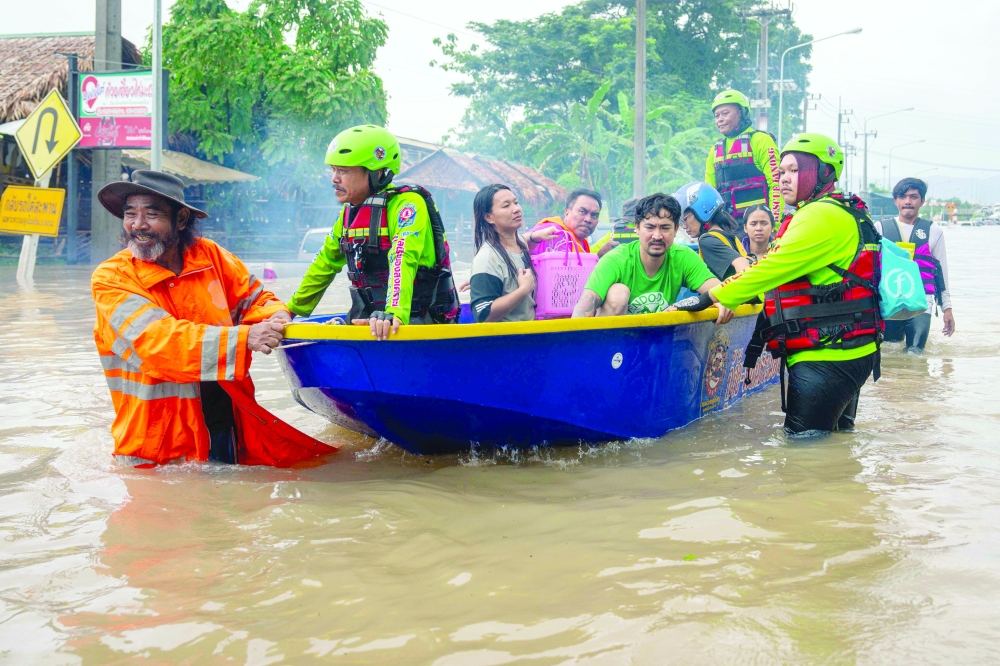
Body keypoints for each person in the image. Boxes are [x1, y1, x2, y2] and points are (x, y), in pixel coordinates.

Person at [90, 170, 335, 466]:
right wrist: (248, 337)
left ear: (180, 220)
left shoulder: (211, 256)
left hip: (225, 426)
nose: (138, 225)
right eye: (130, 214)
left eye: (151, 214)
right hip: (156, 446)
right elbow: (159, 342)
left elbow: (256, 298)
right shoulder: (111, 278)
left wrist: (277, 317)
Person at [684, 133, 882, 434]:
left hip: (827, 355)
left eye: (794, 170)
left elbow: (770, 269)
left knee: (802, 455)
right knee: (835, 445)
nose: (783, 179)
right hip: (848, 346)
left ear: (823, 173)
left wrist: (713, 296)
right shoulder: (840, 210)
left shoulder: (820, 215)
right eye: (780, 173)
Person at [287, 125, 459, 340]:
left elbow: (403, 257)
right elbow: (324, 264)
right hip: (371, 318)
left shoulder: (408, 203)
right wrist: (290, 311)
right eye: (333, 169)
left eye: (344, 170)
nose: (334, 178)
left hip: (416, 319)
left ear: (377, 173)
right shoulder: (348, 214)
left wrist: (394, 313)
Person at [572, 192, 731, 321]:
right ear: (637, 228)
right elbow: (584, 306)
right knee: (618, 293)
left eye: (665, 228)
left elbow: (720, 291)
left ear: (676, 229)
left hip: (660, 344)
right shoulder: (616, 259)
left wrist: (718, 302)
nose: (657, 236)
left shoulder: (683, 257)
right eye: (650, 227)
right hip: (615, 348)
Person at [877, 177, 955, 350]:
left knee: (915, 352)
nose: (908, 201)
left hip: (922, 303)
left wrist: (947, 308)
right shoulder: (880, 229)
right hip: (890, 299)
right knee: (889, 350)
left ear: (922, 201)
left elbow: (941, 273)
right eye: (903, 197)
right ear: (895, 201)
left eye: (913, 197)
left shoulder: (934, 231)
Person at [705, 90, 783, 224]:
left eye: (725, 113)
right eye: (717, 116)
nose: (720, 119)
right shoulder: (715, 151)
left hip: (758, 228)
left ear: (741, 113)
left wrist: (773, 226)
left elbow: (776, 185)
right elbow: (708, 193)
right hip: (728, 228)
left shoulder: (761, 141)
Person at [470, 184, 537, 322]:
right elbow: (483, 313)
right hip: (506, 340)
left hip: (529, 335)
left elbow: (524, 237)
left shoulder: (521, 245)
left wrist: (537, 235)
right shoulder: (487, 258)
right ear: (488, 217)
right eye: (506, 206)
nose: (517, 209)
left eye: (516, 203)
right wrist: (523, 290)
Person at [675, 181, 751, 281]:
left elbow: (741, 263)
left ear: (702, 211)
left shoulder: (707, 240)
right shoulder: (726, 235)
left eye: (685, 219)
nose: (684, 226)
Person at [530, 188, 614, 256]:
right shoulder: (553, 231)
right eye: (582, 211)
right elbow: (518, 242)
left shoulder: (583, 243)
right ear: (567, 213)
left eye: (594, 215)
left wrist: (599, 257)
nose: (588, 219)